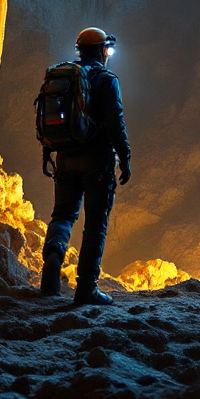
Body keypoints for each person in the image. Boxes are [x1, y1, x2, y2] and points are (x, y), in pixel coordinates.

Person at [39, 27, 132, 306]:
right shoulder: (106, 79)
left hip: (65, 157)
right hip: (96, 161)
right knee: (95, 222)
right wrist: (125, 158)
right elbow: (116, 122)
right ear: (103, 51)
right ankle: (87, 288)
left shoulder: (63, 75)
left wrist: (48, 152)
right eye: (107, 49)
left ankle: (51, 267)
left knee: (63, 215)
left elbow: (48, 114)